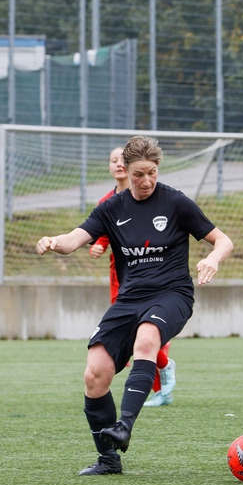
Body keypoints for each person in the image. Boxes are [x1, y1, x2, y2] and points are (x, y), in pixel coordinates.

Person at [36, 135, 234, 475]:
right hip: (129, 299)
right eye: (139, 174)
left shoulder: (175, 202)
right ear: (125, 171)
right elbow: (73, 240)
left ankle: (124, 424)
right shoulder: (112, 208)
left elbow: (223, 240)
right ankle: (108, 460)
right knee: (95, 374)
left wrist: (213, 259)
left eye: (152, 173)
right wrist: (54, 242)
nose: (146, 181)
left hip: (172, 295)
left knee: (147, 338)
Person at [89, 146, 178, 407]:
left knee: (143, 338)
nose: (117, 164)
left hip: (152, 279)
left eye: (121, 160)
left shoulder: (156, 199)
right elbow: (101, 231)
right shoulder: (107, 203)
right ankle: (162, 377)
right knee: (133, 339)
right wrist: (98, 245)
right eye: (113, 160)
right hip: (121, 279)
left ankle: (162, 379)